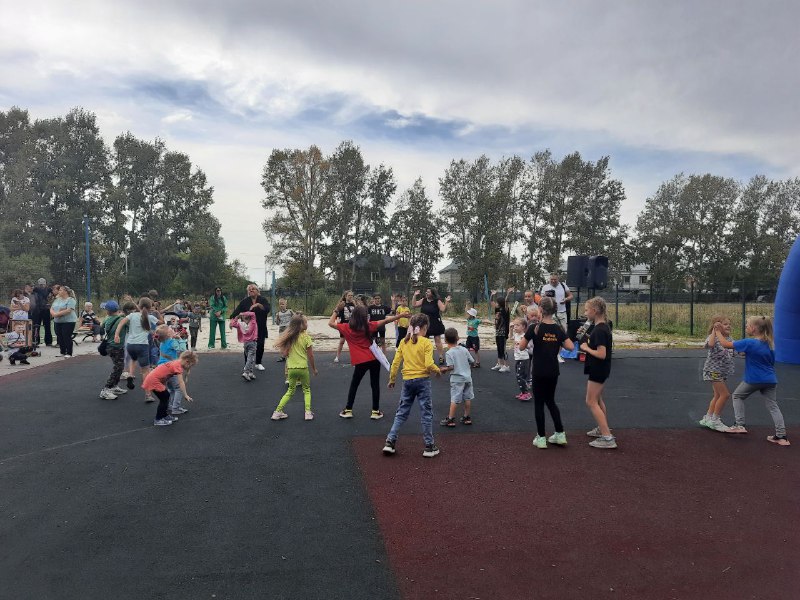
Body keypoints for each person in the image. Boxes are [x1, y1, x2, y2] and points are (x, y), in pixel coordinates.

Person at [714, 316, 789, 445]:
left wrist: (717, 331)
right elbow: (769, 361)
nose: (746, 327)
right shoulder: (770, 344)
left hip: (754, 378)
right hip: (770, 379)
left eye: (747, 325)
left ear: (753, 328)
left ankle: (739, 424)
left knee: (737, 396)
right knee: (773, 406)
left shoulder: (749, 342)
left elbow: (725, 344)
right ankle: (781, 436)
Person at [328, 303, 405, 419]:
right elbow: (385, 321)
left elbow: (330, 323)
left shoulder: (346, 328)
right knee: (375, 384)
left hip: (360, 361)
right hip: (373, 359)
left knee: (354, 384)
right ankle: (375, 411)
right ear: (365, 316)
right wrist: (400, 316)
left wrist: (336, 310)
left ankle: (348, 410)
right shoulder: (369, 326)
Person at [383, 313, 442, 458]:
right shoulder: (426, 343)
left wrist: (392, 379)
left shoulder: (404, 342)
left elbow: (395, 362)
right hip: (422, 381)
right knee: (426, 413)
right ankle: (429, 446)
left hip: (407, 381)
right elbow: (429, 364)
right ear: (424, 327)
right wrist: (438, 371)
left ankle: (390, 441)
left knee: (401, 412)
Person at [521, 297, 575, 448]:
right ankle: (560, 433)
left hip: (539, 370)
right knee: (550, 401)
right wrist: (557, 343)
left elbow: (521, 347)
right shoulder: (558, 329)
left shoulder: (534, 328)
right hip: (553, 371)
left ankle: (541, 437)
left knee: (539, 403)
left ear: (540, 309)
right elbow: (571, 347)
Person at [580, 297, 616, 449]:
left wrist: (586, 348)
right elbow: (598, 344)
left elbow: (601, 354)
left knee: (591, 401)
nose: (585, 313)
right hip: (600, 368)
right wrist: (588, 338)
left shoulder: (600, 330)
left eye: (586, 310)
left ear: (594, 311)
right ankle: (603, 429)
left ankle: (607, 437)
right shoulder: (601, 328)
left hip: (598, 369)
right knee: (598, 399)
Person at [271, 314, 317, 421]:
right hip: (303, 368)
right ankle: (308, 413)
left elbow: (285, 353)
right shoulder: (306, 337)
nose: (307, 324)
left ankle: (277, 412)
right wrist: (314, 369)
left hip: (291, 368)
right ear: (301, 325)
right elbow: (311, 355)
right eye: (305, 322)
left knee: (290, 390)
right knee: (306, 390)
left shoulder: (290, 338)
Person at [114, 297, 159, 402]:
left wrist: (117, 335)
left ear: (138, 306)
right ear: (150, 307)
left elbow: (121, 323)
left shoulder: (132, 315)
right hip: (142, 345)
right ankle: (148, 395)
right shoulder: (150, 317)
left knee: (133, 359)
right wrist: (157, 312)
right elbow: (161, 321)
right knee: (145, 371)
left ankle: (130, 374)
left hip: (130, 345)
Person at [699, 315, 735, 432]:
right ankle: (715, 420)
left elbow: (736, 350)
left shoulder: (729, 339)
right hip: (713, 371)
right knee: (725, 395)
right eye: (725, 324)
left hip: (722, 371)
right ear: (717, 326)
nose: (728, 326)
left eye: (729, 324)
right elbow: (710, 345)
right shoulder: (712, 337)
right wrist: (715, 331)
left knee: (717, 395)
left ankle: (708, 417)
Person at [143, 351, 197, 427]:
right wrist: (185, 395)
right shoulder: (177, 365)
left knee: (166, 396)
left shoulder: (177, 362)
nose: (189, 367)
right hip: (153, 381)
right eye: (190, 365)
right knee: (164, 398)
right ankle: (158, 419)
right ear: (187, 361)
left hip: (154, 379)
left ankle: (164, 415)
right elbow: (181, 382)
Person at [439, 327, 475, 427]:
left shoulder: (449, 353)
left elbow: (451, 367)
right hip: (467, 378)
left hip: (457, 379)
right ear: (458, 338)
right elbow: (472, 361)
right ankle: (466, 417)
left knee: (455, 398)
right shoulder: (464, 349)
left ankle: (450, 418)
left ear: (445, 340)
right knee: (467, 397)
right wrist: (468, 368)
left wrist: (444, 369)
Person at [230, 284, 271, 369]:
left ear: (257, 291)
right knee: (248, 346)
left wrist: (258, 305)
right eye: (249, 289)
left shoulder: (263, 300)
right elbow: (237, 311)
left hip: (261, 326)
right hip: (248, 328)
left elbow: (267, 309)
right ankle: (247, 364)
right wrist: (232, 319)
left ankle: (258, 363)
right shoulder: (245, 301)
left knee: (260, 344)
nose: (251, 290)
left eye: (253, 289)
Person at [154, 324, 189, 417]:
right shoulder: (172, 342)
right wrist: (180, 339)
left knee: (171, 389)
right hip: (170, 368)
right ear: (169, 334)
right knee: (178, 388)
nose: (174, 330)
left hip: (161, 367)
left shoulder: (162, 342)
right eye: (171, 330)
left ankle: (170, 406)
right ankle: (176, 408)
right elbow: (183, 350)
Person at [412, 287, 451, 364]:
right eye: (426, 292)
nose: (426, 293)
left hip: (435, 323)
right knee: (424, 341)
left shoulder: (437, 301)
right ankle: (426, 357)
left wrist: (446, 302)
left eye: (428, 292)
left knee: (437, 340)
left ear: (432, 293)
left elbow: (443, 309)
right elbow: (414, 304)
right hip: (424, 323)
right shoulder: (423, 300)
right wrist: (414, 295)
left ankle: (441, 357)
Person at [98, 301, 128, 400]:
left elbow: (101, 327)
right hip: (116, 347)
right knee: (118, 367)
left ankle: (114, 386)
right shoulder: (122, 319)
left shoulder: (107, 319)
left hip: (111, 346)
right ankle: (106, 389)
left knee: (119, 367)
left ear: (108, 311)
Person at [50, 286, 77, 357]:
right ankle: (62, 352)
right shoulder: (57, 300)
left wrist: (57, 314)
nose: (59, 291)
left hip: (68, 321)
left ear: (66, 292)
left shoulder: (71, 300)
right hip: (57, 321)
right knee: (59, 336)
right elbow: (52, 308)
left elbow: (68, 310)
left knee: (66, 336)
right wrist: (53, 314)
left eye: (61, 290)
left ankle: (69, 352)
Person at [231, 311, 258, 381]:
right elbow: (253, 314)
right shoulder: (253, 322)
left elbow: (233, 324)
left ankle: (251, 373)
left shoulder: (241, 324)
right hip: (252, 343)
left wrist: (237, 317)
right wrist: (243, 313)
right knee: (250, 358)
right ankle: (246, 372)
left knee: (250, 358)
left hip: (245, 343)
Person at [490, 289, 512, 372]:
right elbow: (491, 302)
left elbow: (506, 301)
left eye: (497, 302)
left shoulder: (505, 310)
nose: (495, 303)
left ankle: (506, 365)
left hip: (504, 332)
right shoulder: (497, 309)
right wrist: (492, 295)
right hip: (498, 332)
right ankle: (499, 364)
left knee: (503, 349)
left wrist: (508, 294)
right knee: (499, 348)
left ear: (500, 303)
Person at [511, 318, 531, 400]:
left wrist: (522, 343)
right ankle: (523, 392)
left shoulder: (524, 336)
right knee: (518, 375)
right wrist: (510, 329)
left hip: (524, 358)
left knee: (520, 376)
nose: (515, 327)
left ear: (523, 327)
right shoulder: (516, 335)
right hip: (518, 357)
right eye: (514, 325)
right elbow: (510, 338)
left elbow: (529, 346)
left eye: (517, 325)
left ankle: (526, 393)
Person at [334, 290, 355, 363]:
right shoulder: (342, 304)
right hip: (344, 325)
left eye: (352, 295)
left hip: (352, 325)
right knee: (342, 341)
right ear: (346, 296)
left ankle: (354, 357)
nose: (351, 297)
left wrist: (355, 304)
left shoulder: (354, 304)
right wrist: (338, 320)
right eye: (349, 295)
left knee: (352, 342)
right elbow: (338, 313)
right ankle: (337, 356)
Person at [31, 278, 53, 346]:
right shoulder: (35, 290)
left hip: (46, 310)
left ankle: (48, 342)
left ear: (46, 284)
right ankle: (36, 341)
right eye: (40, 284)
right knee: (36, 326)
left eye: (43, 284)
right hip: (37, 310)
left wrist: (50, 303)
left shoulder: (49, 290)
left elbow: (52, 297)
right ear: (38, 284)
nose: (42, 286)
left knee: (47, 326)